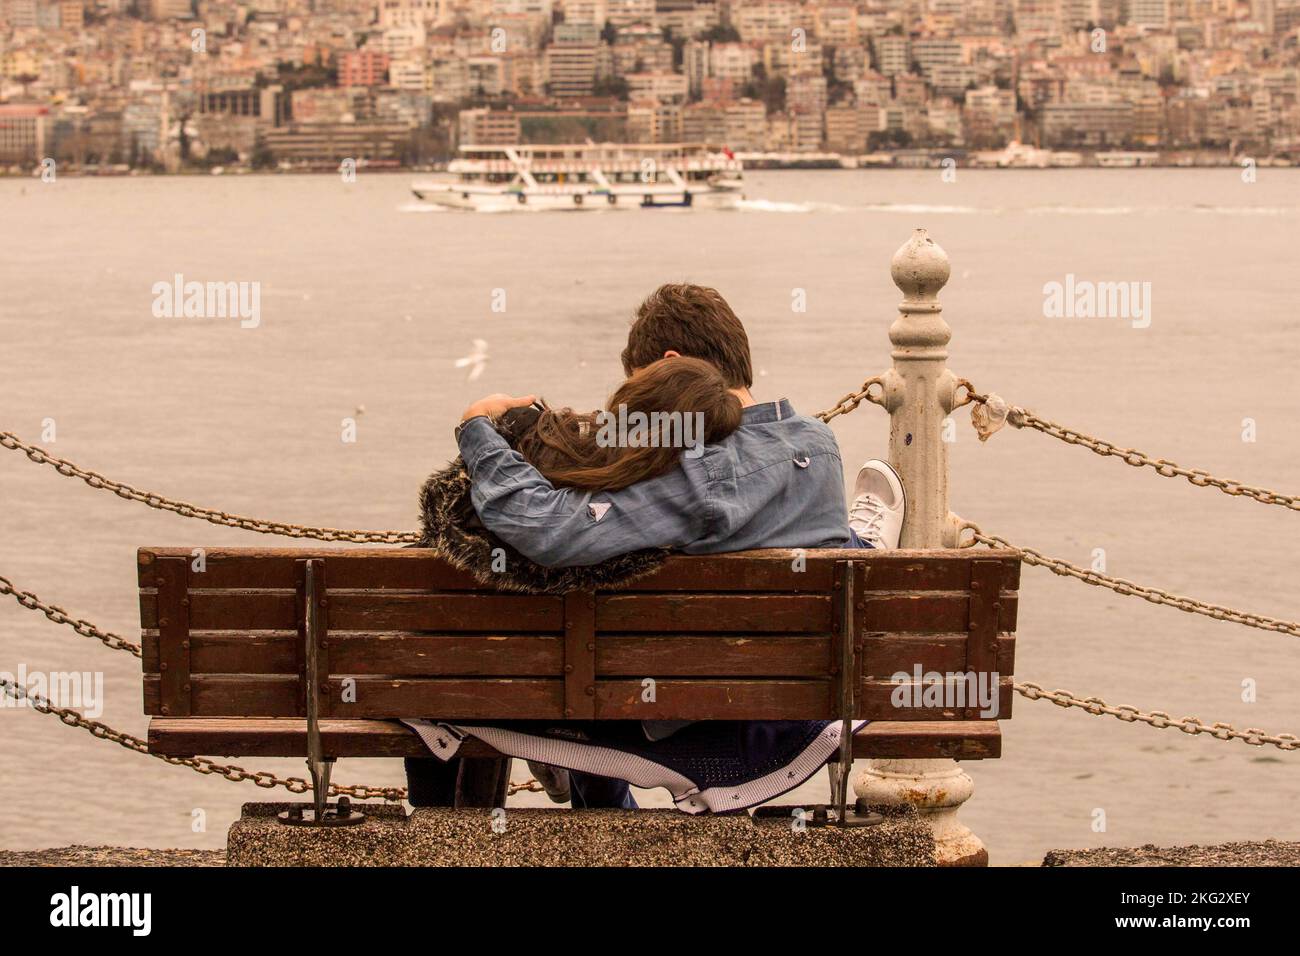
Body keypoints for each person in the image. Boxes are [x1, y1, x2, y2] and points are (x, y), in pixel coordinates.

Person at [406, 283, 906, 811]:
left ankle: (576, 795)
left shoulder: (693, 473)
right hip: (787, 688)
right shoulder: (818, 443)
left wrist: (479, 426)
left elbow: (551, 531)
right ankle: (864, 542)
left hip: (674, 705)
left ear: (671, 364)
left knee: (570, 631)